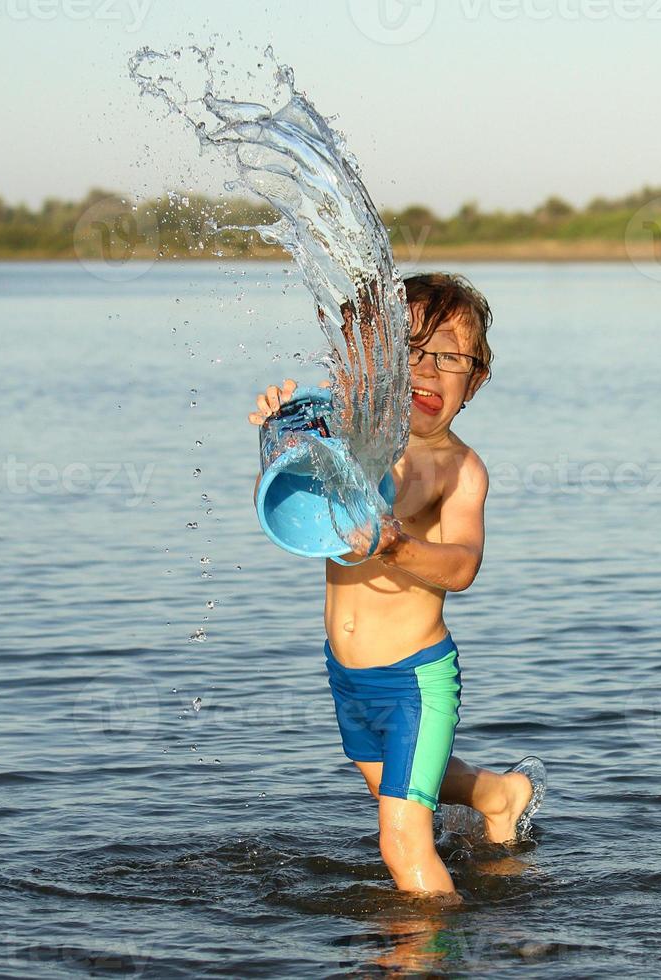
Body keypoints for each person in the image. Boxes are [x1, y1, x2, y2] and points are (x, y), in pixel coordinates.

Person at [248, 272, 545, 900]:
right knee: (389, 784)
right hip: (347, 673)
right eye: (409, 350)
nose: (428, 370)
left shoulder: (457, 468)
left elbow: (462, 566)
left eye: (450, 357)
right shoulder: (350, 437)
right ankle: (498, 794)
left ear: (477, 379)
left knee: (402, 838)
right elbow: (289, 503)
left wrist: (397, 544)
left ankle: (430, 952)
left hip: (414, 678)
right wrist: (275, 437)